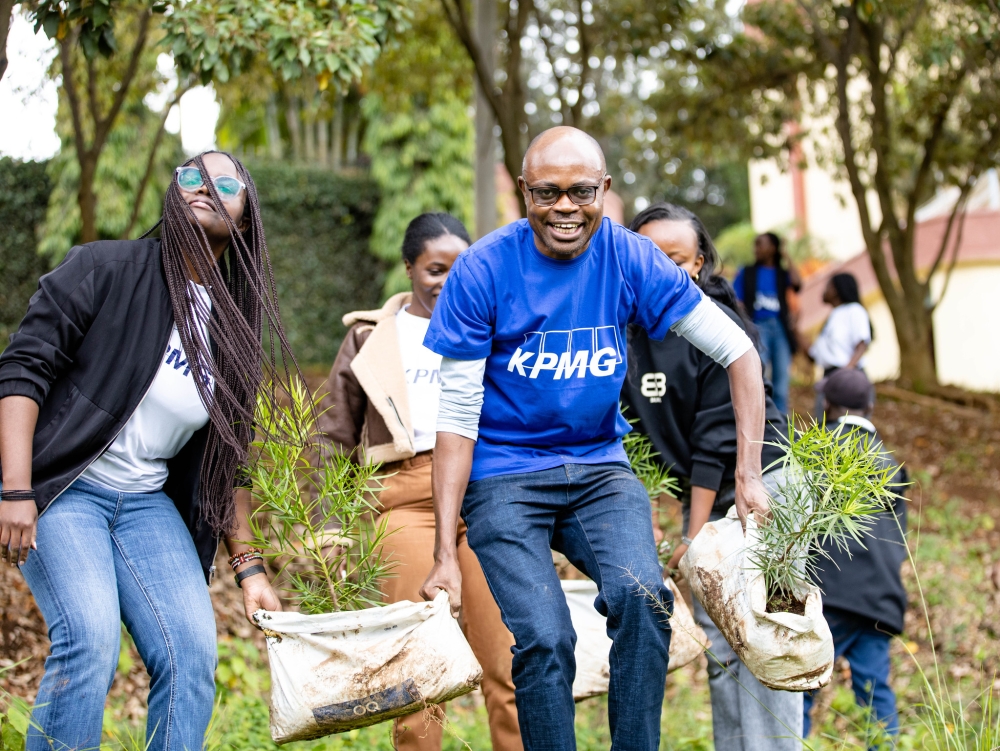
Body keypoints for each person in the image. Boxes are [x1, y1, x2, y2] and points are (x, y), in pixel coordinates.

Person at [417, 126, 772, 751]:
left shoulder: (629, 256)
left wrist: (746, 474)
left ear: (604, 190)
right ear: (524, 192)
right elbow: (454, 419)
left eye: (581, 192)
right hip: (504, 476)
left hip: (597, 469)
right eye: (547, 192)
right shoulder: (482, 270)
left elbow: (740, 351)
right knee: (547, 636)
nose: (565, 207)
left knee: (643, 599)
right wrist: (445, 550)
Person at [0, 152, 289, 751]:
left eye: (227, 181)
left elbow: (230, 459)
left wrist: (250, 567)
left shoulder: (233, 329)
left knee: (191, 653)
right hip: (63, 488)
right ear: (171, 192)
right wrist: (16, 488)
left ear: (246, 214)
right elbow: (20, 374)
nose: (206, 185)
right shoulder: (103, 269)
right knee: (90, 637)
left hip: (144, 503)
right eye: (192, 174)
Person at [319, 213, 522, 751]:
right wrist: (331, 530)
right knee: (418, 668)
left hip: (484, 496)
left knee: (509, 661)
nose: (448, 281)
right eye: (435, 269)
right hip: (405, 499)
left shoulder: (493, 328)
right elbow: (333, 436)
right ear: (409, 267)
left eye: (460, 269)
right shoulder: (369, 337)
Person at [622, 202, 803, 751]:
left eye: (676, 259)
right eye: (649, 256)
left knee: (770, 642)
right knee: (723, 644)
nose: (663, 270)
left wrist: (691, 535)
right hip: (701, 498)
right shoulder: (627, 327)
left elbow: (716, 440)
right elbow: (633, 437)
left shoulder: (716, 323)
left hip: (760, 486)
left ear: (698, 264)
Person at [802, 368, 907, 748]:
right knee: (875, 691)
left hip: (830, 594)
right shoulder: (890, 463)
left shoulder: (814, 449)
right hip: (880, 596)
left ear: (826, 404)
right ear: (871, 406)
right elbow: (900, 538)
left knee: (800, 685)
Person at [733, 232, 801, 413]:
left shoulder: (781, 274)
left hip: (780, 329)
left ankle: (782, 428)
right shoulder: (746, 272)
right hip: (757, 327)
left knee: (781, 382)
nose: (756, 249)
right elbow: (737, 300)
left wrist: (785, 254)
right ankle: (760, 419)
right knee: (758, 376)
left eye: (760, 245)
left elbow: (797, 283)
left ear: (773, 248)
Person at [808, 272, 873, 419]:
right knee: (825, 429)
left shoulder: (854, 310)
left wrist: (845, 373)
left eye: (828, 286)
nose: (824, 291)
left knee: (850, 430)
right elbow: (813, 355)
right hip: (831, 376)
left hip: (848, 379)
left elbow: (862, 344)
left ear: (838, 289)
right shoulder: (832, 317)